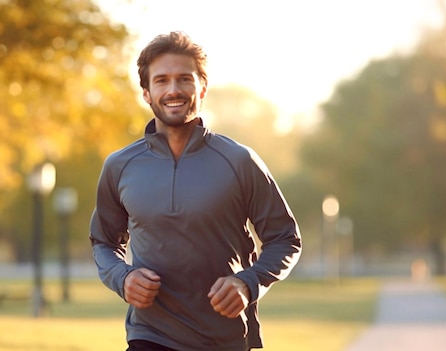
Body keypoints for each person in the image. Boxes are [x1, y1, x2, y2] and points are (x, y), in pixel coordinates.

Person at [89, 31, 302, 351]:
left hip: (225, 338)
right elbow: (104, 241)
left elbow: (285, 239)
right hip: (150, 335)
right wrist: (123, 277)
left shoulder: (239, 161)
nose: (173, 90)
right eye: (161, 80)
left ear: (202, 86)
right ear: (146, 92)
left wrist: (249, 283)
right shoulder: (120, 166)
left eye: (184, 79)